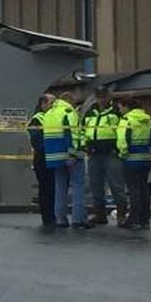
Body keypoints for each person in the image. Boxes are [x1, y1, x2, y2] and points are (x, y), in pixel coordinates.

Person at [43, 91, 90, 229]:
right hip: (71, 155)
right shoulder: (69, 112)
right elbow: (71, 134)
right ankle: (78, 219)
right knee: (78, 187)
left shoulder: (49, 114)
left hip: (54, 157)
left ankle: (60, 219)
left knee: (60, 188)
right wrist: (74, 152)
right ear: (69, 101)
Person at [82, 87, 127, 225]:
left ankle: (121, 215)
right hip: (94, 154)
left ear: (109, 96)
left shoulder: (116, 112)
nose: (101, 98)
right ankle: (100, 215)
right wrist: (85, 146)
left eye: (103, 96)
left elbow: (123, 130)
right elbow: (83, 131)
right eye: (99, 96)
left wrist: (118, 149)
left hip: (111, 154)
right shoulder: (90, 112)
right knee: (95, 185)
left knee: (116, 185)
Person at [116, 98, 151, 230]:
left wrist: (122, 153)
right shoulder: (148, 119)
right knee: (143, 189)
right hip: (145, 159)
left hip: (131, 159)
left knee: (133, 190)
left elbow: (123, 139)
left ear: (126, 107)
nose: (120, 110)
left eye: (120, 108)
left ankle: (133, 220)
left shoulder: (126, 120)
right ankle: (144, 220)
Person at [29, 94, 56, 227]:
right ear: (43, 104)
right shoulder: (37, 119)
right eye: (52, 103)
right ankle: (47, 217)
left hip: (51, 156)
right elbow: (36, 140)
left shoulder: (51, 117)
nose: (54, 106)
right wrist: (48, 149)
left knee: (52, 188)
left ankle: (52, 215)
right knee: (46, 188)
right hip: (42, 158)